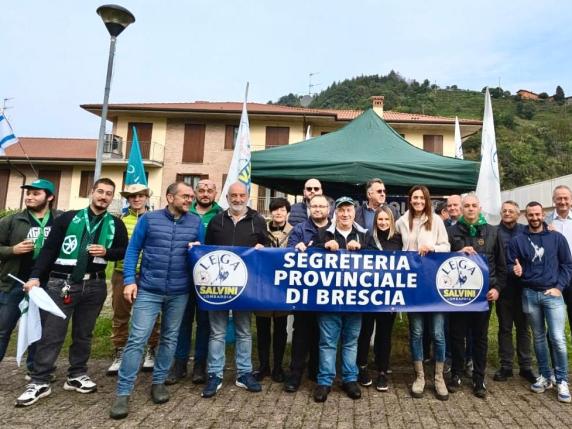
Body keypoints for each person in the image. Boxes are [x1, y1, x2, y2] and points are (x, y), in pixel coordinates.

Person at [15, 178, 128, 407]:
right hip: (61, 282)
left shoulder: (116, 224)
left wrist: (107, 252)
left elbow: (122, 251)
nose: (103, 196)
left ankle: (76, 375)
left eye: (108, 193)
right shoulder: (67, 218)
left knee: (84, 333)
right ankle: (39, 380)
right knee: (52, 334)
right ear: (91, 192)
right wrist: (36, 276)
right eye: (100, 192)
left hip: (95, 284)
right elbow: (48, 250)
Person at [109, 181, 204, 419]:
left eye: (191, 197)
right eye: (185, 196)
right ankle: (123, 393)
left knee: (169, 337)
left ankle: (158, 382)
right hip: (149, 289)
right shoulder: (149, 220)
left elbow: (203, 253)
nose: (189, 200)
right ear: (170, 197)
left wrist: (198, 249)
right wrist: (130, 279)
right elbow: (133, 250)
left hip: (179, 291)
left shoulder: (195, 222)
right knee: (137, 339)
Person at [201, 182, 270, 398]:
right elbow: (207, 250)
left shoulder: (257, 220)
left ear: (248, 196)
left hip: (245, 286)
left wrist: (263, 248)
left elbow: (267, 247)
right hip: (218, 287)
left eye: (242, 195)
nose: (238, 199)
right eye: (234, 195)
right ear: (227, 197)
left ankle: (244, 373)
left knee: (243, 331)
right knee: (218, 332)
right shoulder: (216, 220)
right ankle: (214, 374)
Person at [507, 201, 572, 403]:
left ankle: (561, 380)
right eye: (531, 215)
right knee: (538, 338)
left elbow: (567, 265)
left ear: (543, 214)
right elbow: (510, 262)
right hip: (529, 294)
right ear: (526, 216)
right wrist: (514, 269)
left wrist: (559, 287)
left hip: (552, 295)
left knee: (558, 338)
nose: (534, 218)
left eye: (537, 214)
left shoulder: (556, 238)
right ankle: (545, 375)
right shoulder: (518, 240)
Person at [446, 193, 506, 398]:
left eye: (474, 205)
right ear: (461, 209)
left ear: (480, 208)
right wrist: (457, 253)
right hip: (457, 295)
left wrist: (497, 288)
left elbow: (501, 266)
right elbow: (441, 263)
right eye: (467, 206)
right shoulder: (451, 231)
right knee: (456, 336)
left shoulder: (493, 232)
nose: (470, 209)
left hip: (483, 297)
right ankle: (456, 374)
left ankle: (479, 379)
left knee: (479, 338)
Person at [395, 185, 450, 401]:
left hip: (434, 283)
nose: (418, 201)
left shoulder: (436, 220)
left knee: (437, 333)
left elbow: (447, 246)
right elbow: (394, 245)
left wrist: (432, 247)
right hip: (412, 284)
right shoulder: (401, 221)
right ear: (410, 200)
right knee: (416, 332)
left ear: (426, 200)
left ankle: (438, 378)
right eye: (414, 197)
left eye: (421, 197)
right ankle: (419, 377)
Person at [313, 196, 368, 402]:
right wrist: (324, 247)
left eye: (349, 210)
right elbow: (309, 258)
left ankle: (349, 379)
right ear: (335, 212)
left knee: (351, 341)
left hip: (355, 298)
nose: (345, 214)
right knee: (327, 342)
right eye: (342, 210)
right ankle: (325, 381)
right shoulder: (323, 233)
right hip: (329, 299)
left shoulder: (364, 234)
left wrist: (362, 248)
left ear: (355, 212)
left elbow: (379, 259)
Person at [166, 179, 220, 385]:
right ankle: (179, 364)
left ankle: (200, 365)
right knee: (182, 322)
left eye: (209, 190)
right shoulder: (185, 212)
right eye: (201, 190)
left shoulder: (221, 215)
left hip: (209, 280)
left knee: (205, 323)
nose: (205, 193)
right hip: (183, 276)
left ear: (215, 193)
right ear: (195, 193)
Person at [0, 179, 57, 373]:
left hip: (46, 284)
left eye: (36, 194)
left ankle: (35, 370)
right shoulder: (11, 221)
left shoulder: (59, 220)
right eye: (28, 193)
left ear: (49, 197)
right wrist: (12, 250)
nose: (30, 197)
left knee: (40, 329)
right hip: (14, 282)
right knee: (3, 328)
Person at [107, 184, 159, 376]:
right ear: (127, 199)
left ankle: (152, 350)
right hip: (122, 273)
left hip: (147, 274)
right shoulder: (120, 220)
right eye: (132, 197)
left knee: (153, 315)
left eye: (140, 196)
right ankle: (119, 351)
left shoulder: (155, 219)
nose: (136, 200)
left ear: (146, 197)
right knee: (120, 314)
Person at [284, 194, 331, 392]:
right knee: (301, 332)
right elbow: (287, 254)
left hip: (330, 292)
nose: (318, 209)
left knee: (324, 333)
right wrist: (296, 249)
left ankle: (316, 370)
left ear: (329, 209)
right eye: (314, 206)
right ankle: (295, 374)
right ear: (309, 208)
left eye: (322, 206)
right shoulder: (299, 229)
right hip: (305, 291)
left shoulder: (335, 229)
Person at [358, 205, 402, 391]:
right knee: (365, 332)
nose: (383, 223)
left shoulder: (399, 240)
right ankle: (362, 367)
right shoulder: (368, 238)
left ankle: (382, 371)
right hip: (368, 295)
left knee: (384, 335)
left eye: (386, 220)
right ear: (375, 221)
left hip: (388, 295)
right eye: (380, 219)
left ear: (392, 221)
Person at [493, 201, 536, 383]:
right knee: (504, 328)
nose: (507, 213)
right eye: (504, 211)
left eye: (511, 211)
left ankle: (526, 366)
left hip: (525, 288)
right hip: (504, 288)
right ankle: (506, 366)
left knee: (524, 329)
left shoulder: (526, 231)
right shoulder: (494, 232)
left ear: (518, 215)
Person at [253, 197, 292, 382]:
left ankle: (278, 367)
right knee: (262, 328)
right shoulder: (260, 232)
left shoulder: (294, 233)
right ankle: (264, 366)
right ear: (270, 212)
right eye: (275, 210)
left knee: (281, 328)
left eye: (282, 210)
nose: (278, 213)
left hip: (284, 289)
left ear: (287, 212)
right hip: (263, 287)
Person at [546, 185, 572, 332]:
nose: (562, 201)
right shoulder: (545, 221)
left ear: (571, 200)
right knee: (554, 323)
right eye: (559, 198)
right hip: (553, 276)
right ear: (554, 200)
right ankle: (555, 354)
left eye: (565, 198)